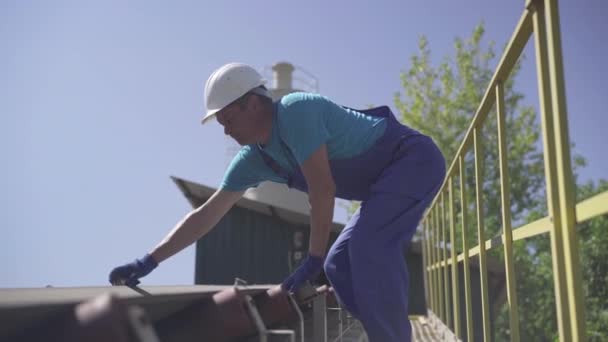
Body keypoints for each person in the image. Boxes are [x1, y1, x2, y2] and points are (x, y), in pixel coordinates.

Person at [109, 62, 446, 341]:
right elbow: (207, 214)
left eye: (227, 119)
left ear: (253, 102)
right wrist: (148, 261)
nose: (225, 131)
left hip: (412, 161)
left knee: (370, 247)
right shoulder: (253, 160)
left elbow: (322, 189)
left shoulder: (297, 111)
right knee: (338, 265)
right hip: (380, 187)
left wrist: (312, 257)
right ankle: (382, 332)